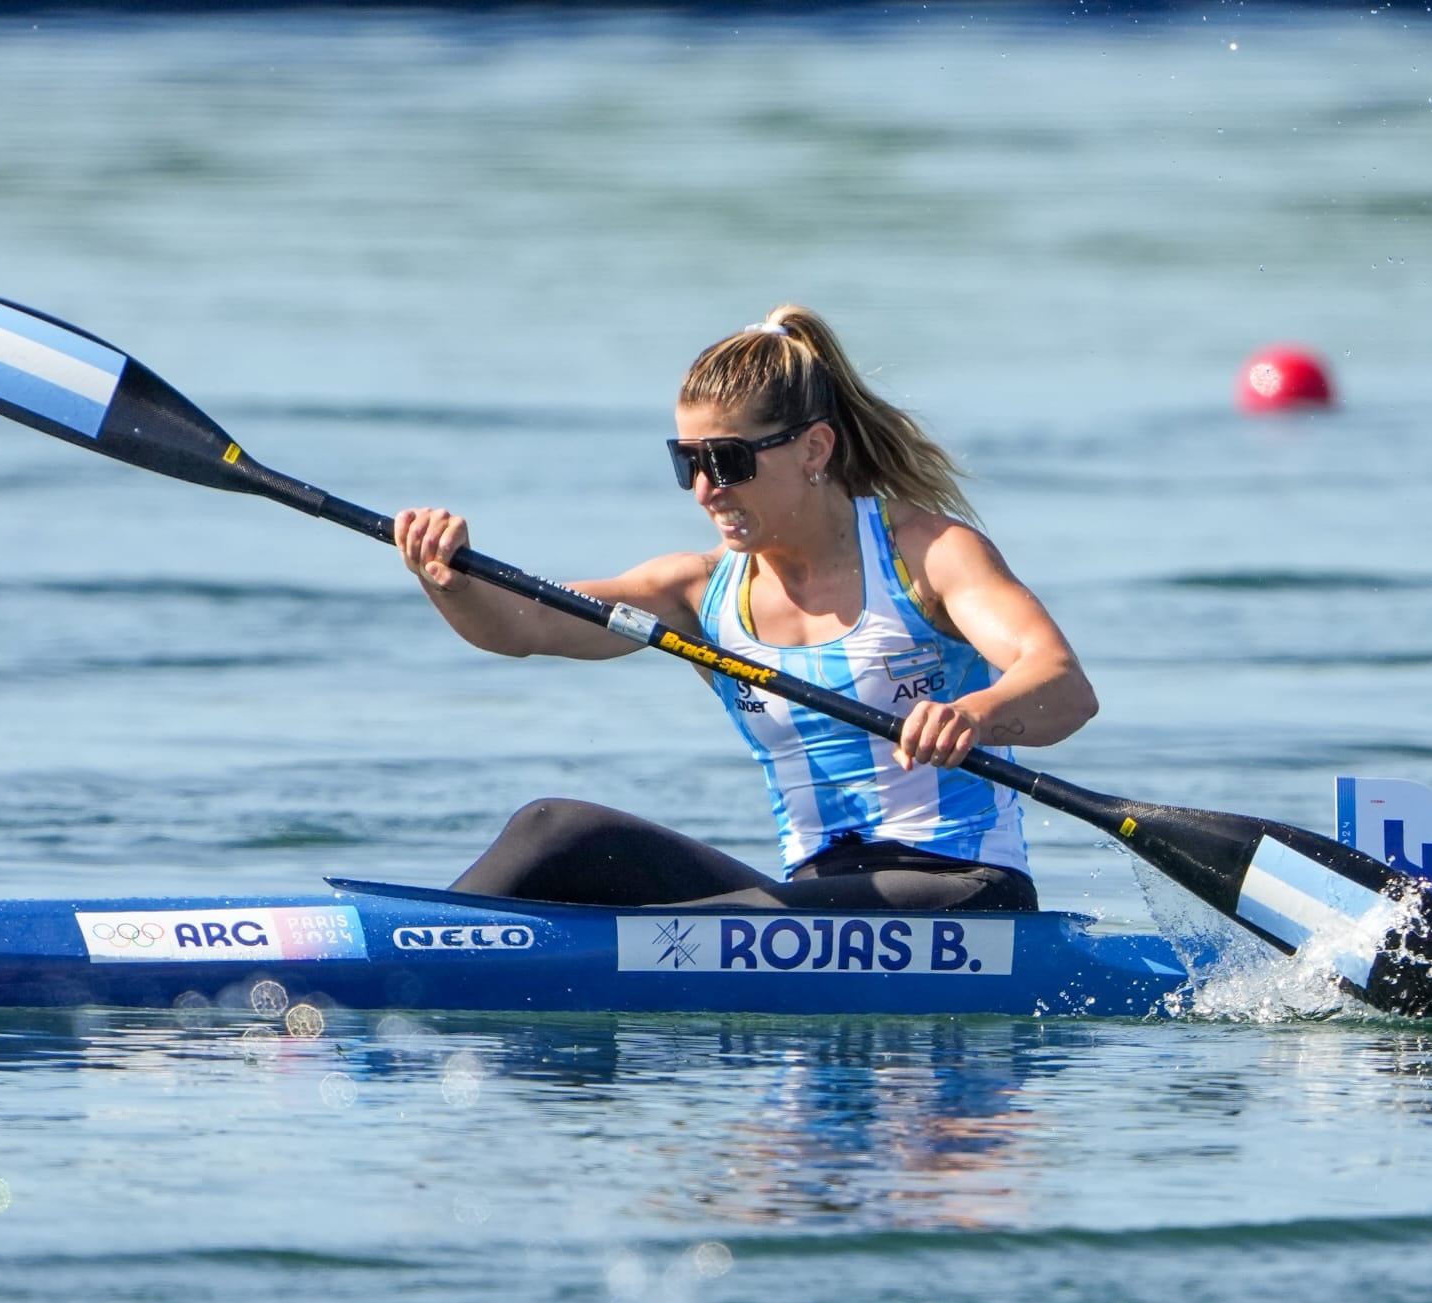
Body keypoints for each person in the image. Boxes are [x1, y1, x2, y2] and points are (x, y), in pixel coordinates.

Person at [393, 306, 1097, 912]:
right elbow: (526, 624)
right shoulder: (698, 594)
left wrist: (973, 714)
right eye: (687, 462)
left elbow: (1063, 684)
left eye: (726, 462)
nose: (704, 490)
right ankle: (414, 950)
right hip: (811, 897)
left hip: (962, 890)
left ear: (813, 448)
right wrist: (450, 579)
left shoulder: (928, 554)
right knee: (555, 829)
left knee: (706, 921)